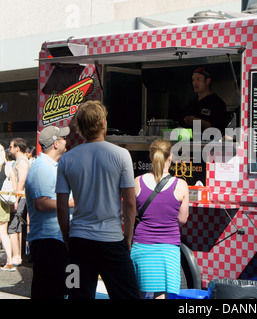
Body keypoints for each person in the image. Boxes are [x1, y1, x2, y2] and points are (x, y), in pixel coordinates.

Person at [56, 100, 140, 299]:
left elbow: (61, 205)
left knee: (76, 295)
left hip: (78, 242)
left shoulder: (67, 159)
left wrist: (67, 237)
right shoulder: (121, 154)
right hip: (112, 240)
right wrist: (128, 237)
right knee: (128, 296)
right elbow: (129, 202)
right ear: (103, 122)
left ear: (79, 127)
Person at [131, 139, 189, 299]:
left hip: (142, 246)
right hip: (168, 248)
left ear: (150, 158)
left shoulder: (138, 182)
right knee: (161, 295)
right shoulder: (181, 185)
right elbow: (182, 219)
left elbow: (132, 213)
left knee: (138, 293)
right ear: (170, 157)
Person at [25, 125, 73, 298]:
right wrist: (72, 202)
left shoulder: (50, 166)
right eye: (63, 138)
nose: (66, 140)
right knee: (49, 291)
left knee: (65, 288)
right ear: (55, 144)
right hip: (49, 242)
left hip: (58, 240)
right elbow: (41, 203)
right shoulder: (42, 167)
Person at [183, 67, 228, 137]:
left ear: (207, 81)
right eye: (193, 80)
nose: (194, 83)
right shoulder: (191, 102)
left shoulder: (217, 103)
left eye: (198, 79)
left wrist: (197, 121)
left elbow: (219, 129)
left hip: (210, 145)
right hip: (191, 144)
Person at [8, 137, 30, 267]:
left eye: (11, 146)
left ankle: (16, 257)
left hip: (20, 197)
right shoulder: (19, 161)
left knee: (13, 226)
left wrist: (15, 199)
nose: (9, 149)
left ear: (17, 148)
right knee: (16, 226)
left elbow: (21, 182)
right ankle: (17, 256)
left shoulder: (22, 162)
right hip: (19, 196)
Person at [0, 144, 14, 272]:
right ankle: (10, 261)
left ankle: (10, 261)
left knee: (3, 233)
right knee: (4, 232)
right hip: (3, 201)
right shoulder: (7, 166)